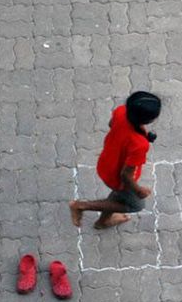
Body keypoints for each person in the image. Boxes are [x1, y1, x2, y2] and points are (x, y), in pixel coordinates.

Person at [69, 91, 161, 229]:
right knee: (135, 205)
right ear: (148, 120)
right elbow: (125, 175)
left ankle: (103, 222)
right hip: (117, 178)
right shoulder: (140, 145)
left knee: (116, 198)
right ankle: (81, 206)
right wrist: (139, 191)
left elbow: (112, 124)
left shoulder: (121, 111)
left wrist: (140, 133)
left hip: (106, 163)